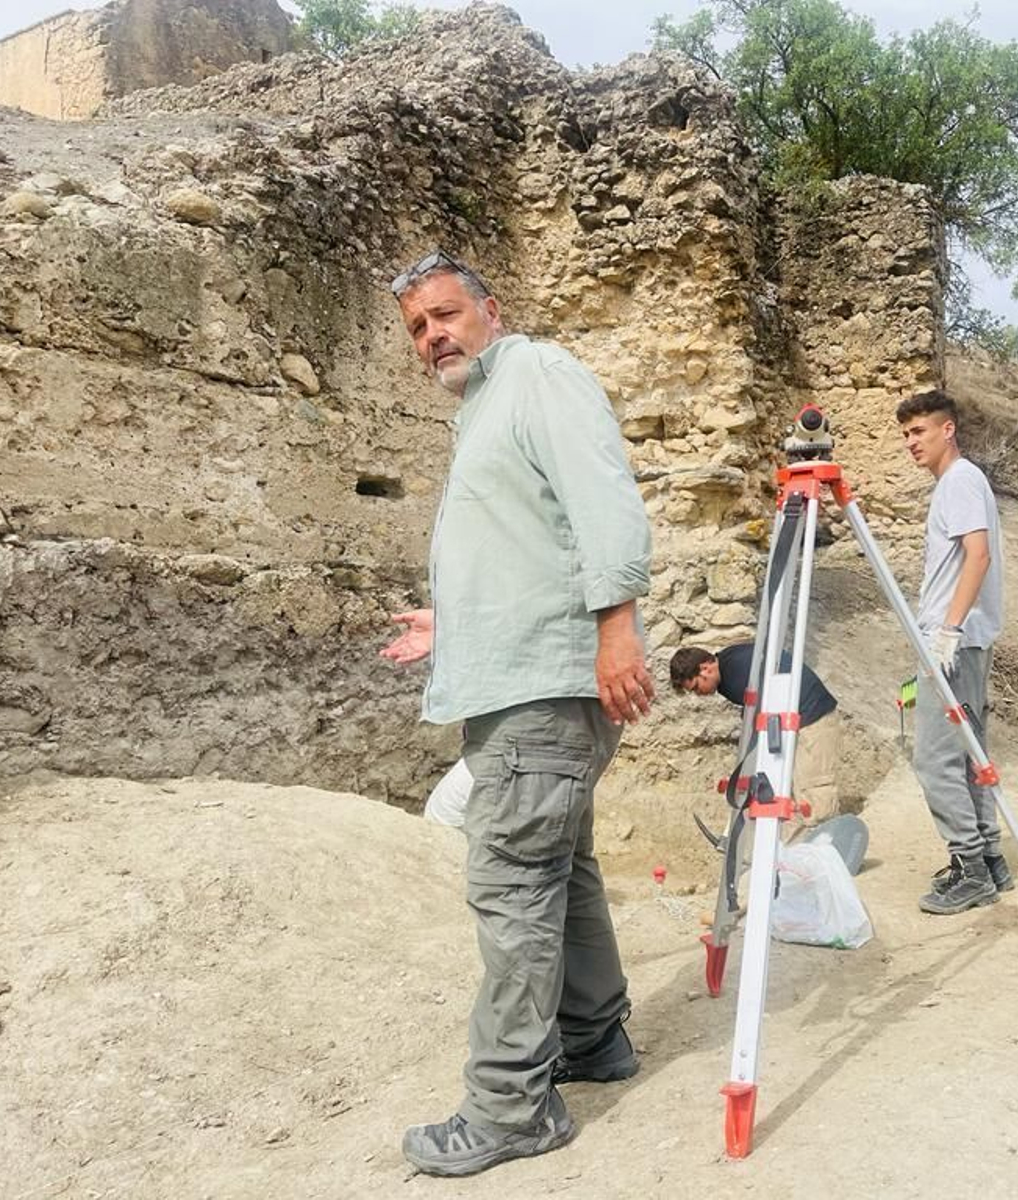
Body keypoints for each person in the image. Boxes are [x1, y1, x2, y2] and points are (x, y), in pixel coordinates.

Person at [379, 250, 655, 1177]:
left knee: (512, 887)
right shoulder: (482, 408)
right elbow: (524, 546)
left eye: (446, 315)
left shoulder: (536, 371)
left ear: (489, 310)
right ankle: (595, 1042)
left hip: (543, 689)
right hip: (518, 680)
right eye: (419, 327)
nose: (434, 337)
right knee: (562, 873)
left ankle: (508, 1108)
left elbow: (602, 500)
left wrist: (618, 628)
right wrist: (448, 621)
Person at [895, 389, 1011, 916]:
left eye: (919, 432)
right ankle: (989, 858)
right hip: (965, 640)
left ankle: (970, 867)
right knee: (970, 755)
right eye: (905, 434)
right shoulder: (962, 483)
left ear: (948, 430)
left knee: (935, 759)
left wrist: (948, 630)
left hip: (953, 644)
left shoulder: (960, 481)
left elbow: (978, 556)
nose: (910, 443)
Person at [668, 642, 841, 823]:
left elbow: (761, 712)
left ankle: (826, 843)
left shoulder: (735, 671)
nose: (698, 694)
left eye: (696, 687)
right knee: (792, 792)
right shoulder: (728, 663)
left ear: (705, 668)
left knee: (814, 791)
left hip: (813, 717)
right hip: (794, 720)